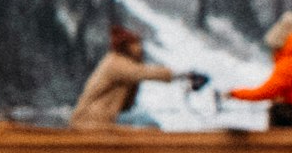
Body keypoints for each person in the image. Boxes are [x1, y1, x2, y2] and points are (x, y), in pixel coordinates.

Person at [71, 24, 203, 130]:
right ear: (127, 45)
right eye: (136, 44)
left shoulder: (118, 61)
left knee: (145, 121)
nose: (140, 48)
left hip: (101, 117)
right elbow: (144, 73)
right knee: (149, 124)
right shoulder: (116, 63)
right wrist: (183, 74)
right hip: (92, 120)